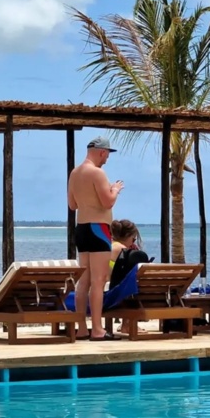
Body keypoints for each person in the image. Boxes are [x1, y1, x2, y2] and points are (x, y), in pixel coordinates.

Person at [68, 136, 124, 340]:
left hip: (82, 228)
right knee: (98, 281)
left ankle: (82, 328)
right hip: (99, 228)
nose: (107, 159)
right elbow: (107, 202)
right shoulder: (97, 173)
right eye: (107, 154)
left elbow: (73, 205)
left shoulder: (75, 173)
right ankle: (98, 329)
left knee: (84, 282)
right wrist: (115, 190)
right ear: (101, 152)